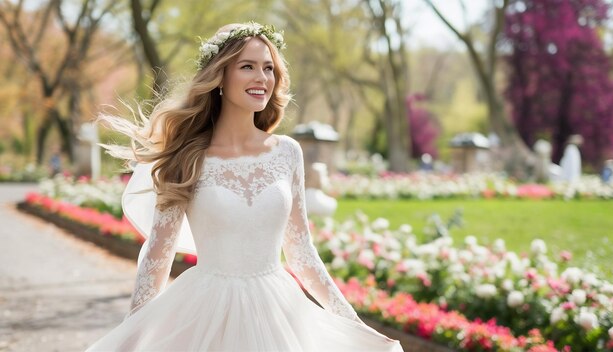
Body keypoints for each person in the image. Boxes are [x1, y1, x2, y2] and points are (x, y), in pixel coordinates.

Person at [86, 22, 402, 351]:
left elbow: (302, 253)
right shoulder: (188, 157)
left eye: (268, 68)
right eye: (247, 67)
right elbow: (157, 256)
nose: (261, 78)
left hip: (278, 313)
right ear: (220, 76)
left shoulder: (287, 153)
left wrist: (353, 325)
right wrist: (131, 335)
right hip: (205, 313)